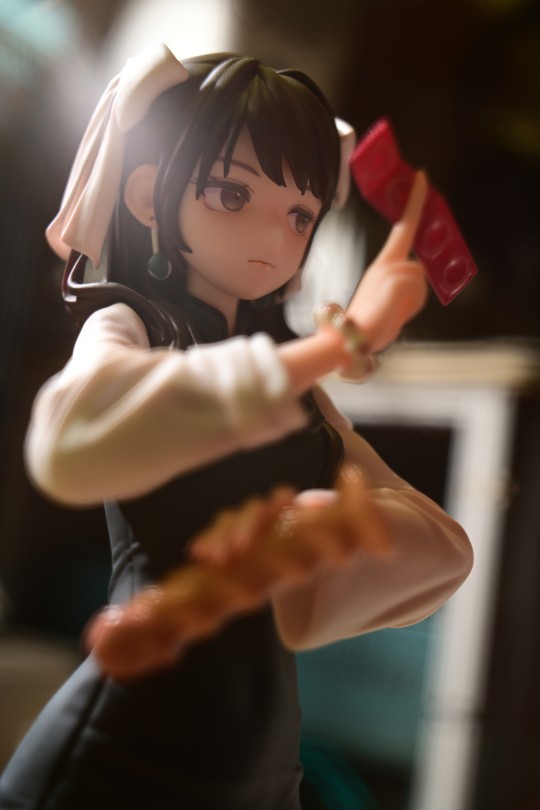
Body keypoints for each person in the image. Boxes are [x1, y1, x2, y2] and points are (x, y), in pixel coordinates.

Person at [0, 42, 472, 810]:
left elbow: (445, 550)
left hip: (261, 762)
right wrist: (333, 347)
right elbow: (68, 442)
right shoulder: (133, 328)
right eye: (229, 193)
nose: (272, 238)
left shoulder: (294, 383)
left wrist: (315, 531)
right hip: (127, 747)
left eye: (299, 214)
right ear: (149, 196)